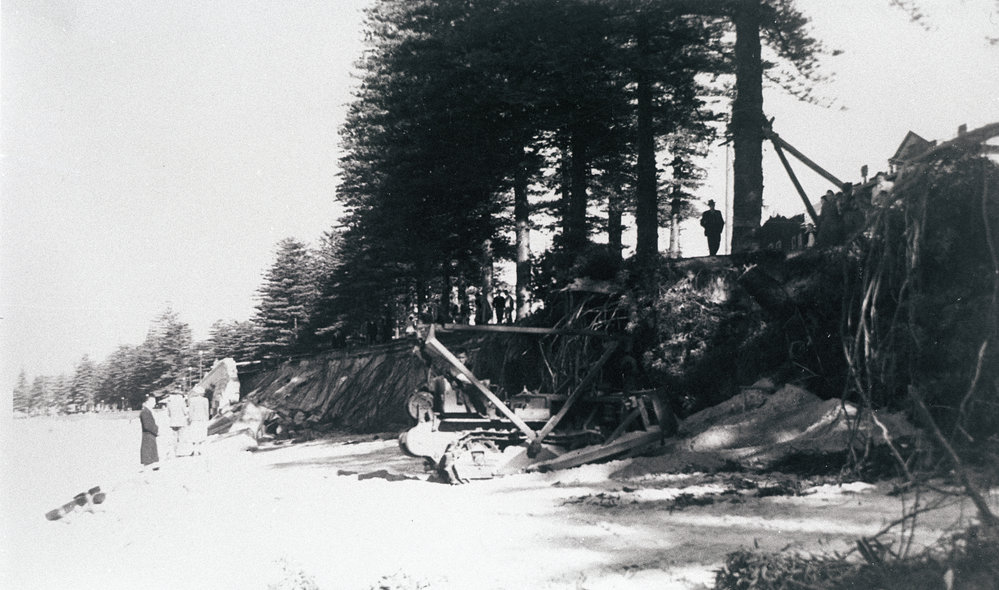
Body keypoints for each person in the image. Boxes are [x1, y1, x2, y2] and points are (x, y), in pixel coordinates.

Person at [187, 386, 210, 456]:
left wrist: (190, 419)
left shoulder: (192, 400)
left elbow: (190, 411)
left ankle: (194, 450)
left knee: (194, 435)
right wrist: (207, 419)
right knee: (201, 435)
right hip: (202, 419)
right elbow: (206, 410)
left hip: (194, 419)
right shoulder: (205, 400)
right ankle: (200, 450)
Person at [165, 388, 188, 457]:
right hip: (181, 421)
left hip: (173, 422)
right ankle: (180, 451)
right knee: (181, 437)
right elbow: (185, 412)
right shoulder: (181, 401)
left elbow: (168, 414)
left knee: (174, 437)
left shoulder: (169, 402)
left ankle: (175, 451)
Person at [139, 395, 159, 467]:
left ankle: (153, 465)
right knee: (148, 451)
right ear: (147, 402)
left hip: (151, 434)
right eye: (152, 401)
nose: (154, 403)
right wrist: (156, 430)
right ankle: (148, 466)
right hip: (148, 435)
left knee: (152, 451)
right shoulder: (145, 411)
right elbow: (147, 425)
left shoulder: (148, 411)